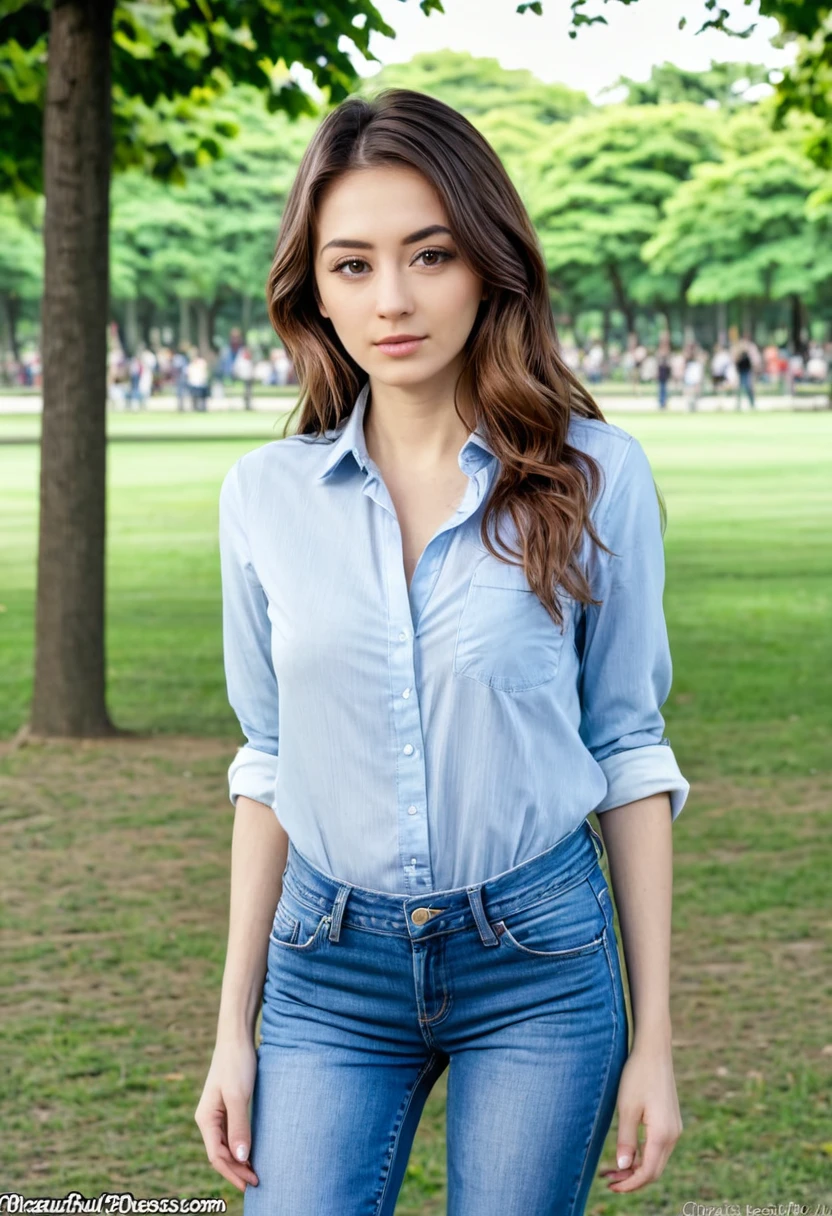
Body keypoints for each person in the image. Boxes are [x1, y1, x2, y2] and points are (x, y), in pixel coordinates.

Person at [195, 87, 689, 1212]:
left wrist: (653, 1037)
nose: (395, 299)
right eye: (352, 265)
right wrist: (232, 1027)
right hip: (325, 969)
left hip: (538, 964)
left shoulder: (597, 476)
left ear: (488, 264)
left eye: (430, 254)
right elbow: (267, 757)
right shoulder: (263, 497)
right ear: (311, 288)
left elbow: (627, 747)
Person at [735, 343, 756, 410]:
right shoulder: (740, 357)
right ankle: (739, 405)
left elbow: (749, 366)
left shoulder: (747, 357)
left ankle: (752, 404)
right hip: (742, 374)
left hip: (746, 374)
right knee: (740, 390)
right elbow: (737, 366)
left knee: (748, 389)